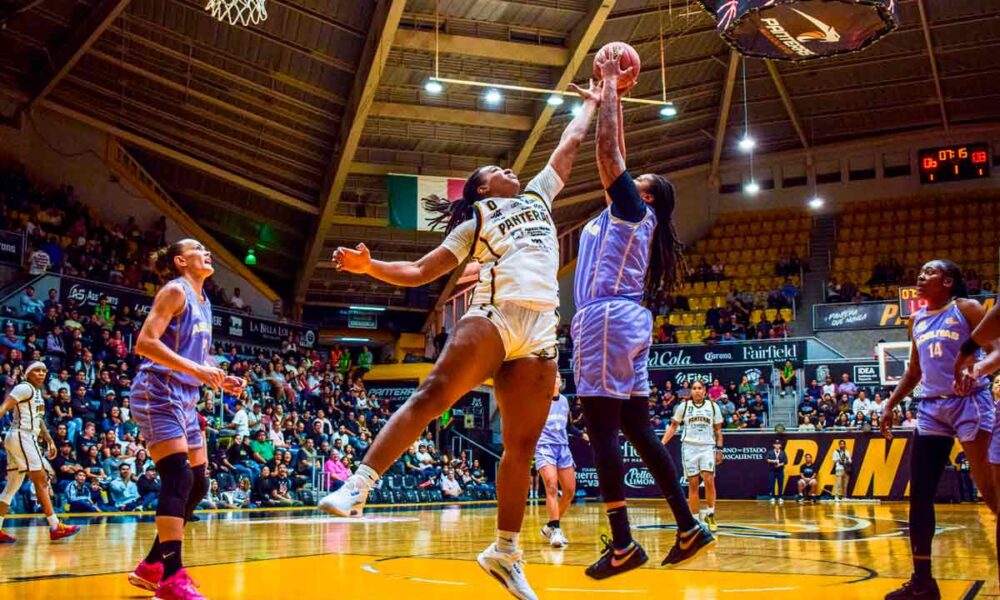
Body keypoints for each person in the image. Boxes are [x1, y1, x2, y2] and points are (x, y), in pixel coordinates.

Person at [317, 80, 601, 600]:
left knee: (520, 448)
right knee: (433, 395)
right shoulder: (476, 218)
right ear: (480, 188)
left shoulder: (539, 194)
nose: (508, 169)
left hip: (541, 331)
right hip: (494, 315)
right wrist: (369, 265)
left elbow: (570, 145)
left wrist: (592, 103)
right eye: (496, 169)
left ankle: (505, 552)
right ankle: (359, 485)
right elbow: (421, 270)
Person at [571, 53, 713, 582]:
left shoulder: (633, 209)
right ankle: (688, 525)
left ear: (644, 194)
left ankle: (625, 543)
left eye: (637, 180)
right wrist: (617, 98)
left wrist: (609, 84)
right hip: (626, 319)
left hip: (605, 318)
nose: (627, 179)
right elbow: (619, 154)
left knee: (603, 432)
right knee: (635, 426)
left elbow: (610, 155)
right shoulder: (631, 212)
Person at [125, 239, 243, 600]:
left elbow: (196, 356)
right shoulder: (174, 292)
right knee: (177, 475)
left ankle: (151, 566)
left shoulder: (205, 303)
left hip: (186, 398)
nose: (207, 252)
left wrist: (220, 375)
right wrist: (195, 368)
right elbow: (145, 343)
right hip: (157, 391)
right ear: (180, 260)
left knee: (198, 484)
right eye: (197, 248)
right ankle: (172, 577)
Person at [881, 260, 996, 600]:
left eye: (929, 272)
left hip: (970, 401)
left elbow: (997, 349)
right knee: (919, 494)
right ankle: (923, 581)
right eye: (920, 271)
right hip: (931, 408)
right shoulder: (916, 319)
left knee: (990, 491)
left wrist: (979, 370)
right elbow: (915, 370)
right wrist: (890, 404)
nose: (920, 275)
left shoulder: (967, 308)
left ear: (947, 281)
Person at [0, 361, 80, 543]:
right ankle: (55, 526)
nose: (41, 373)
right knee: (42, 479)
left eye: (44, 370)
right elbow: (4, 407)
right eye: (37, 370)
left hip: (23, 437)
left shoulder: (36, 393)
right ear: (28, 373)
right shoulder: (24, 388)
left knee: (11, 488)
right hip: (23, 436)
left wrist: (49, 439)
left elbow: (39, 420)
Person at [662, 381, 724, 532]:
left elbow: (718, 430)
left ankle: (710, 513)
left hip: (707, 446)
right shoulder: (684, 407)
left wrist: (720, 448)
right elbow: (674, 426)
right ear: (691, 391)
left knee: (709, 479)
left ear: (705, 391)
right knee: (693, 483)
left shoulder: (712, 407)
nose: (697, 391)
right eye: (694, 388)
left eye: (700, 388)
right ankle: (695, 519)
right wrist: (661, 443)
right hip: (689, 447)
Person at [535, 374, 579, 549]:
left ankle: (550, 526)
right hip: (544, 447)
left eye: (558, 376)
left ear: (561, 382)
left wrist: (582, 434)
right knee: (552, 486)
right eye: (552, 376)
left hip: (563, 447)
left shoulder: (565, 402)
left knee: (569, 491)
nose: (555, 378)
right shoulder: (539, 400)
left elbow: (567, 427)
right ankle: (557, 530)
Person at [766, 440, 787, 504]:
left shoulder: (783, 452)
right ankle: (772, 497)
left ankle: (780, 497)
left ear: (780, 445)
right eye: (776, 444)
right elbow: (767, 459)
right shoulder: (770, 452)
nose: (777, 445)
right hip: (772, 470)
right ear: (774, 445)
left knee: (780, 484)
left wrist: (780, 464)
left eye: (778, 444)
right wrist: (774, 461)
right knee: (772, 483)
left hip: (780, 470)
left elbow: (785, 461)